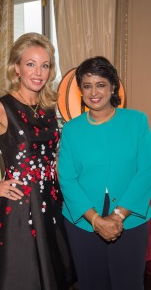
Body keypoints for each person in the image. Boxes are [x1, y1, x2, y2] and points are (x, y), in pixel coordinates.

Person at [0, 32, 76, 290]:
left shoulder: (50, 107)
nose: (38, 72)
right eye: (30, 64)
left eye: (44, 65)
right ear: (16, 68)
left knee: (51, 275)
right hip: (19, 207)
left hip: (51, 201)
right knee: (21, 277)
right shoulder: (3, 107)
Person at [57, 56, 151, 290]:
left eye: (100, 84)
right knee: (91, 284)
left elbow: (146, 170)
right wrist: (96, 220)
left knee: (128, 283)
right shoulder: (71, 129)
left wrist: (117, 216)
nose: (94, 92)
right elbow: (67, 179)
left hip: (131, 217)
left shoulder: (137, 121)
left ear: (112, 86)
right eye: (87, 86)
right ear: (81, 91)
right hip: (82, 220)